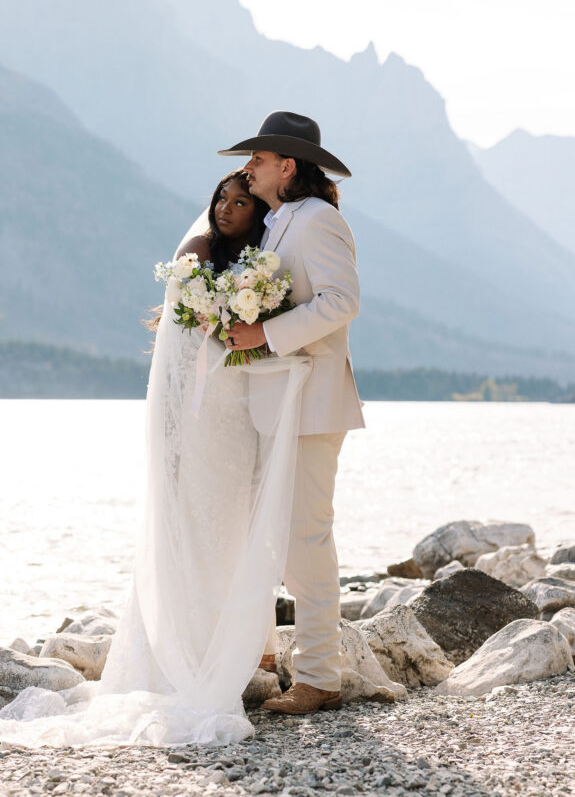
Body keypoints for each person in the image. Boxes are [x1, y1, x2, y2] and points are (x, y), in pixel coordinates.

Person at [0, 168, 311, 748]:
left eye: (240, 201)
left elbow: (253, 338)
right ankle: (174, 659)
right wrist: (170, 433)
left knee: (231, 528)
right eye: (221, 197)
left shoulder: (261, 267)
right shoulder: (197, 252)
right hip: (195, 420)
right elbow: (179, 350)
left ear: (258, 213)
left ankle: (239, 651)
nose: (225, 208)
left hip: (235, 416)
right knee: (189, 528)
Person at [218, 110, 365, 715]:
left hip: (313, 403)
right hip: (279, 405)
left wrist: (264, 335)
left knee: (306, 540)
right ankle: (270, 653)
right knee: (272, 538)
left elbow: (342, 301)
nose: (247, 168)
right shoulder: (280, 224)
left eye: (257, 159)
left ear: (287, 166)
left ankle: (321, 677)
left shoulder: (319, 220)